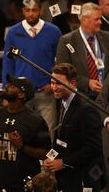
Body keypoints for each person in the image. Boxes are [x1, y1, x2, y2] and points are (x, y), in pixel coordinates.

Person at [2, 0, 62, 139]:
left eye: (34, 10)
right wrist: (6, 89)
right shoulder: (13, 32)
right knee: (21, 129)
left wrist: (53, 83)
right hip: (20, 94)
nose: (31, 14)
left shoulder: (53, 31)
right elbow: (8, 61)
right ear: (23, 11)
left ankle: (48, 160)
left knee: (49, 131)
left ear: (40, 10)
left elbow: (61, 61)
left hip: (45, 91)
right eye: (28, 10)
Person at [0, 74, 51, 191]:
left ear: (21, 94)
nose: (7, 86)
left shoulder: (36, 121)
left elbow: (46, 153)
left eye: (12, 86)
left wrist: (22, 146)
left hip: (24, 184)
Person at [43, 63, 104, 191]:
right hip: (67, 177)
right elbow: (61, 138)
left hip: (85, 178)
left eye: (58, 83)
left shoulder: (86, 109)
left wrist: (63, 162)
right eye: (52, 83)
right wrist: (51, 157)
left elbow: (94, 148)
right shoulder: (62, 100)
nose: (54, 87)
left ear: (73, 83)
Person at [56, 2, 109, 100]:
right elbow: (62, 72)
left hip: (105, 98)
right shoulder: (67, 40)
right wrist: (87, 83)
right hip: (80, 98)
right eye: (97, 19)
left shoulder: (106, 37)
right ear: (85, 20)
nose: (100, 22)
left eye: (100, 18)